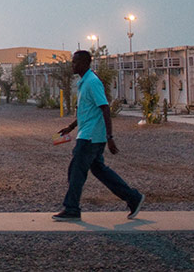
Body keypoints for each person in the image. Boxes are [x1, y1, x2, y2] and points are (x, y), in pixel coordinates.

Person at [53, 50, 145, 221]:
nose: (73, 65)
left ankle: (72, 208)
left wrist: (110, 137)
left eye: (75, 62)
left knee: (76, 172)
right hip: (88, 134)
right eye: (72, 62)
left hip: (90, 137)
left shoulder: (92, 82)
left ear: (85, 63)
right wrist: (71, 127)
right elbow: (87, 112)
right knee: (100, 171)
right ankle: (133, 198)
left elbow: (104, 108)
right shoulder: (84, 82)